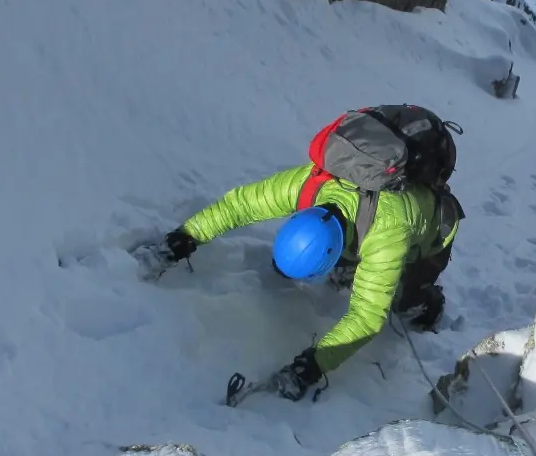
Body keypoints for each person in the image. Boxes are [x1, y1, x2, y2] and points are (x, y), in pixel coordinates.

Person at [156, 157, 461, 402]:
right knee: (356, 258)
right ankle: (349, 267)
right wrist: (186, 236)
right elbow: (241, 205)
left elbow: (367, 317)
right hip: (365, 220)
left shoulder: (387, 237)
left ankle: (424, 304)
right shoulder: (309, 186)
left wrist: (313, 366)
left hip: (431, 234)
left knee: (406, 292)